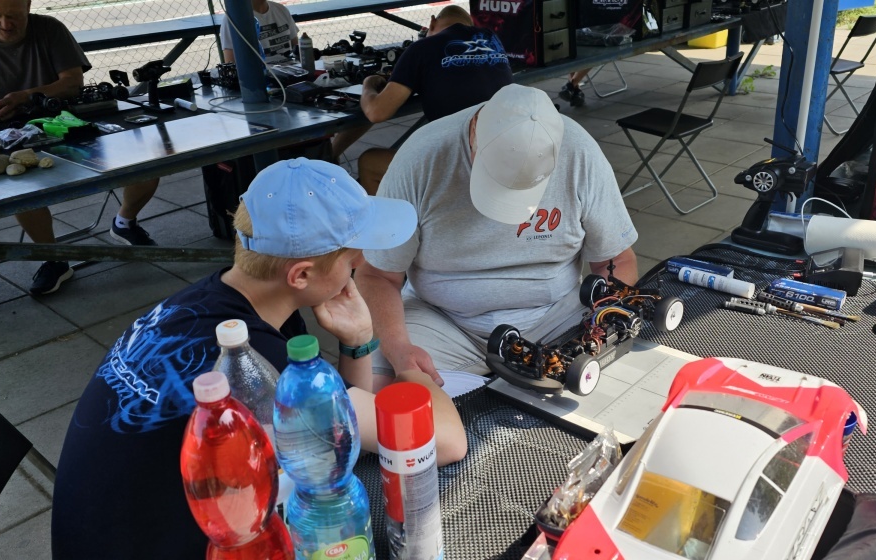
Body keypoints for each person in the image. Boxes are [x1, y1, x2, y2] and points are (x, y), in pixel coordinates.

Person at [51, 158, 468, 559]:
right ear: (300, 275)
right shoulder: (253, 366)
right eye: (351, 256)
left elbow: (339, 429)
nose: (362, 261)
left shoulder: (201, 305)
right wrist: (408, 364)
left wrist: (357, 342)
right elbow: (445, 442)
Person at [355, 84, 639, 389]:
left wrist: (599, 328)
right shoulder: (420, 157)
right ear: (475, 131)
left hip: (556, 316)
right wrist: (399, 348)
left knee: (617, 380)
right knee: (381, 386)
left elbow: (616, 260)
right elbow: (377, 275)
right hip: (444, 321)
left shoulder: (580, 151)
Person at [0, 0, 162, 295]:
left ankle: (124, 222)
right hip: (4, 134)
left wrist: (27, 95)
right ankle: (52, 256)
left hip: (66, 120)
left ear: (28, 5)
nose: (5, 25)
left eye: (13, 16)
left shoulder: (50, 29)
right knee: (22, 188)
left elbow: (72, 82)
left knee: (148, 159)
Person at [354, 4, 513, 194]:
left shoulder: (421, 48)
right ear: (469, 25)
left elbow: (376, 112)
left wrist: (369, 84)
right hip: (505, 152)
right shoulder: (492, 39)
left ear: (431, 22)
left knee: (369, 162)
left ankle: (401, 214)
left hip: (460, 163)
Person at [220, 0, 298, 63]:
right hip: (260, 75)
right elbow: (230, 62)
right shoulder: (233, 19)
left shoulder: (281, 10)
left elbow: (296, 48)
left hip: (292, 72)